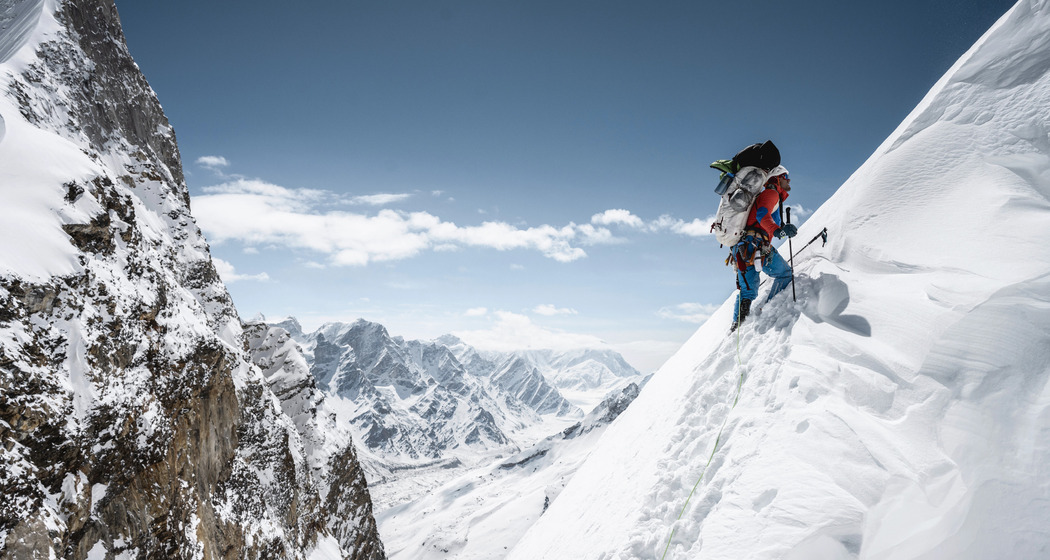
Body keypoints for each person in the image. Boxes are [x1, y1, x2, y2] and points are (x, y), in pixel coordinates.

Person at [730, 165, 797, 330]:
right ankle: (768, 310)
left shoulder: (769, 195)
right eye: (785, 176)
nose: (788, 180)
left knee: (747, 292)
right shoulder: (771, 193)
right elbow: (762, 215)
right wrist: (779, 231)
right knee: (784, 274)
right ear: (776, 178)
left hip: (745, 248)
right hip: (757, 246)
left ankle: (737, 327)